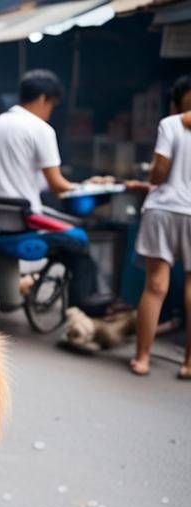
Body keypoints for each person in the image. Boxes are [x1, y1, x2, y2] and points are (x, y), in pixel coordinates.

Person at [0, 69, 105, 315]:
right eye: (52, 106)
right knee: (79, 241)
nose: (50, 112)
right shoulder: (40, 129)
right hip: (22, 221)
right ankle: (83, 309)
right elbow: (58, 185)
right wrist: (90, 187)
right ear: (42, 98)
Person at [129, 76, 191, 378]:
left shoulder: (171, 124)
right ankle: (189, 363)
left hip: (164, 210)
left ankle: (143, 358)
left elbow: (159, 174)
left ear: (176, 100)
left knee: (156, 286)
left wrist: (149, 179)